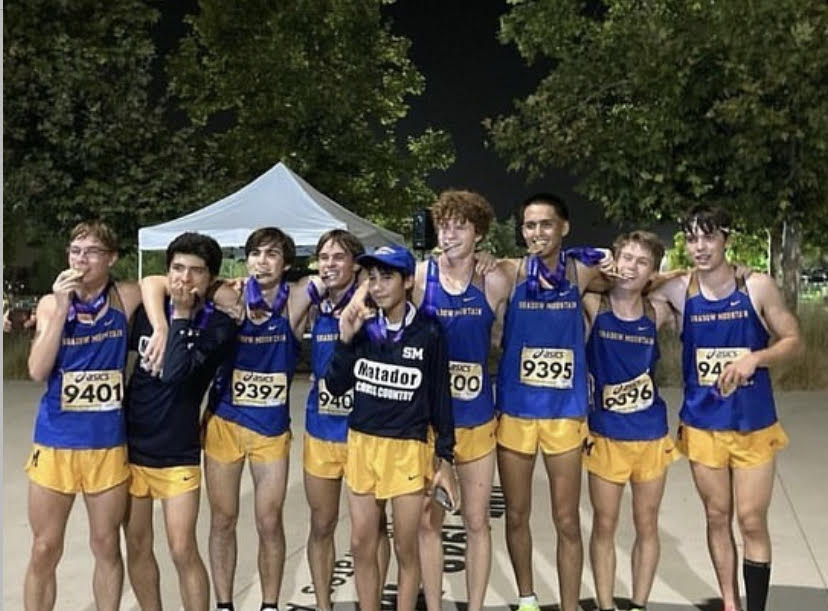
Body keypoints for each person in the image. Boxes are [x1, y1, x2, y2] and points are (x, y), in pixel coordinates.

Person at [648, 204, 803, 611]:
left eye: (709, 237)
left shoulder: (756, 286)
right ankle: (731, 604)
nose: (700, 246)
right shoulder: (680, 290)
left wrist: (756, 358)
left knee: (751, 519)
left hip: (753, 424)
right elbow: (632, 284)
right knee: (718, 518)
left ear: (726, 240)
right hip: (702, 425)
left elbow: (792, 339)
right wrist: (665, 275)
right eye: (692, 238)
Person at [324, 244, 458, 611]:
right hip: (363, 444)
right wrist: (345, 339)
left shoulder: (429, 331)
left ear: (407, 281)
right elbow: (336, 386)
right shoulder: (363, 328)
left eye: (387, 277)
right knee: (361, 544)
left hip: (408, 449)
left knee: (405, 547)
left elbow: (441, 398)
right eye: (372, 278)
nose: (377, 286)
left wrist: (444, 456)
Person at [495, 192, 612, 611]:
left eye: (546, 224)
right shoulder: (510, 272)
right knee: (516, 515)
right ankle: (527, 599)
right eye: (529, 225)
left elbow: (639, 278)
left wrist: (611, 257)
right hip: (515, 412)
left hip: (564, 413)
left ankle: (568, 605)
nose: (537, 232)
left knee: (566, 519)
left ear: (563, 227)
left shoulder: (581, 272)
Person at [23, 220, 142, 611]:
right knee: (44, 547)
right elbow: (38, 370)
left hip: (106, 444)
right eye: (75, 251)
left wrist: (159, 326)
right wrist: (59, 310)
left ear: (112, 258)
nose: (81, 259)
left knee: (107, 544)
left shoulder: (125, 296)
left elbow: (165, 284)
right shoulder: (50, 303)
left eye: (91, 252)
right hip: (56, 440)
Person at [123, 232, 237, 611]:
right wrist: (161, 323)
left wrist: (182, 318)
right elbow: (147, 282)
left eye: (196, 272)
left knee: (181, 547)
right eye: (177, 268)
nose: (184, 279)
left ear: (211, 279)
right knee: (137, 545)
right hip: (133, 445)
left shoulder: (219, 326)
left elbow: (174, 373)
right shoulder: (147, 309)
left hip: (178, 452)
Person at [412, 190, 511, 611]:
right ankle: (433, 606)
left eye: (460, 225)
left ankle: (473, 607)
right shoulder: (418, 277)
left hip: (475, 419)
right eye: (444, 224)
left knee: (476, 521)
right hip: (430, 423)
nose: (450, 233)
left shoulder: (495, 279)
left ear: (478, 233)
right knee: (427, 521)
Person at [581, 231, 678, 611]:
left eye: (642, 262)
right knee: (604, 526)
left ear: (652, 271)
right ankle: (606, 605)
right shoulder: (594, 303)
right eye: (627, 258)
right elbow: (568, 274)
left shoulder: (659, 312)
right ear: (615, 260)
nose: (631, 267)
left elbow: (694, 280)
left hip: (651, 435)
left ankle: (638, 604)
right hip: (606, 435)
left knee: (647, 525)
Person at [303, 229, 391, 611]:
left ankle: (372, 602)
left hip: (365, 434)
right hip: (320, 432)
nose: (329, 264)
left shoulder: (375, 303)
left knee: (370, 530)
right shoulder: (312, 303)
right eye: (324, 257)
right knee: (322, 526)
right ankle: (323, 605)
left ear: (356, 264)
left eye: (339, 257)